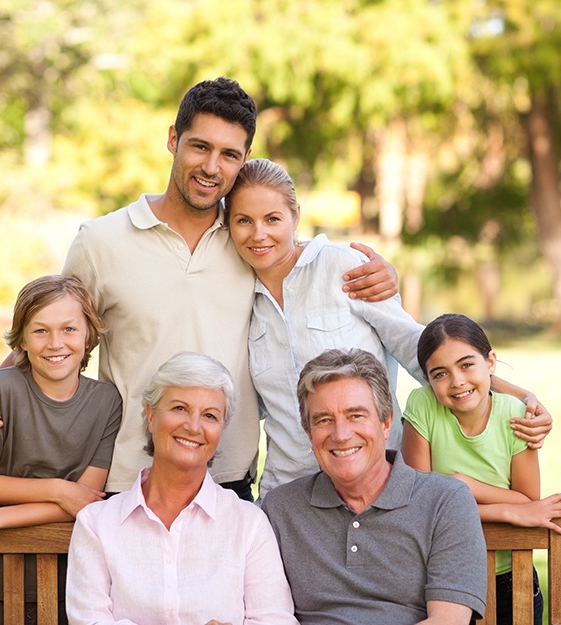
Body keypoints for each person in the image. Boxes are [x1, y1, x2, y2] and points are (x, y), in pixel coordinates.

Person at [0, 77, 398, 501]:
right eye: (200, 146)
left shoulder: (248, 240)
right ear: (173, 140)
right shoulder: (101, 242)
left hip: (229, 480)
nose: (211, 166)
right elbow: (50, 330)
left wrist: (379, 274)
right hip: (128, 477)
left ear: (244, 160)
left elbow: (303, 275)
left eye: (228, 154)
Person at [224, 157, 553, 499]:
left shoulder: (344, 268)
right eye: (243, 221)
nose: (258, 234)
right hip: (291, 492)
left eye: (272, 219)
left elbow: (421, 353)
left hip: (375, 483)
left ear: (295, 216)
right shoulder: (238, 297)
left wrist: (522, 397)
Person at [66, 351, 299, 625]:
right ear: (151, 416)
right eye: (179, 408)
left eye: (210, 416)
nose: (193, 426)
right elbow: (89, 621)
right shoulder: (97, 524)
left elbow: (275, 620)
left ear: (221, 429)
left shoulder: (249, 524)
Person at [262, 347, 487, 625]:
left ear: (386, 422)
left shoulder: (445, 501)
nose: (341, 435)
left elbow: (448, 621)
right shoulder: (281, 508)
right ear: (309, 432)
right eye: (324, 420)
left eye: (356, 415)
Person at [0, 275, 122, 625]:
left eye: (69, 329)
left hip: (72, 582)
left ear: (89, 334)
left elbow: (85, 504)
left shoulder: (107, 402)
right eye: (40, 331)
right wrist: (59, 490)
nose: (55, 343)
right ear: (22, 340)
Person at [402, 313, 561, 625]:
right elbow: (420, 506)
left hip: (510, 579)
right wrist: (504, 510)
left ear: (490, 362)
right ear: (427, 379)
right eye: (440, 374)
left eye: (466, 365)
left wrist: (461, 486)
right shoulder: (422, 405)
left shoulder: (517, 415)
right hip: (441, 580)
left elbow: (529, 503)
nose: (457, 381)